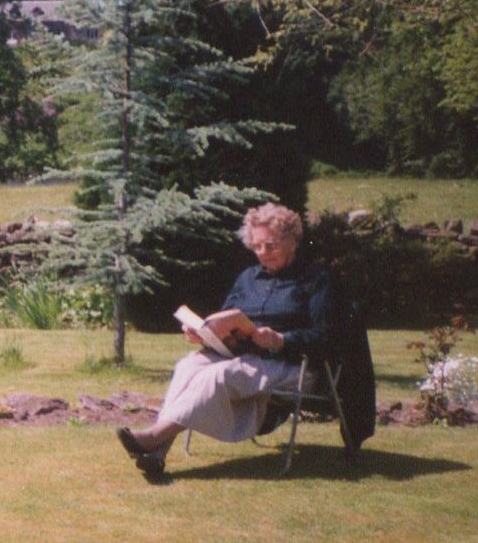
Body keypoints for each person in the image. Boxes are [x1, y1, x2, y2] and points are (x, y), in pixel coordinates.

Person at [116, 203, 340, 476]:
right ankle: (158, 453)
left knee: (220, 375)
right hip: (243, 357)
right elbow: (224, 320)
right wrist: (204, 334)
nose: (262, 253)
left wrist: (280, 339)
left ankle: (152, 438)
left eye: (270, 245)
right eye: (256, 246)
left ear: (292, 241)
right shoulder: (248, 278)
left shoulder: (316, 280)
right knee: (188, 366)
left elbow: (325, 337)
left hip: (292, 365)